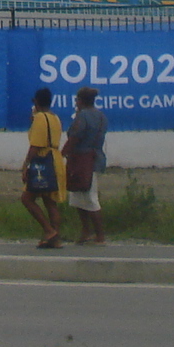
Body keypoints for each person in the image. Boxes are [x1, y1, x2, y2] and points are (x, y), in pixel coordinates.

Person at [20, 86, 66, 247]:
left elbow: (35, 145)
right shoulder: (55, 118)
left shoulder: (40, 118)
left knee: (27, 198)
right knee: (49, 200)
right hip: (56, 159)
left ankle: (48, 230)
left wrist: (26, 165)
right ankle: (55, 237)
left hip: (43, 161)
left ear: (37, 102)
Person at [64, 86, 108, 244]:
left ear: (80, 100)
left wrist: (63, 152)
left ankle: (99, 234)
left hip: (82, 160)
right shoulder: (101, 116)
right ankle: (86, 232)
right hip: (95, 158)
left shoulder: (82, 117)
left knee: (89, 196)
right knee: (79, 195)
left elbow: (75, 136)